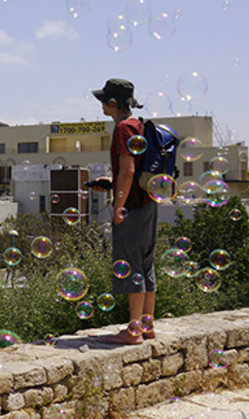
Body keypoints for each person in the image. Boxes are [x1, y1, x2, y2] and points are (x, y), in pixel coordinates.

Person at [92, 78, 158, 345]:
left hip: (132, 208)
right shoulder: (138, 124)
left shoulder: (122, 128)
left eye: (103, 102)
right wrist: (112, 184)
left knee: (131, 265)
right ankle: (147, 325)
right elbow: (132, 171)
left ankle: (133, 331)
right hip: (148, 202)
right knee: (146, 264)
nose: (102, 107)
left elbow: (129, 169)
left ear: (111, 103)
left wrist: (118, 206)